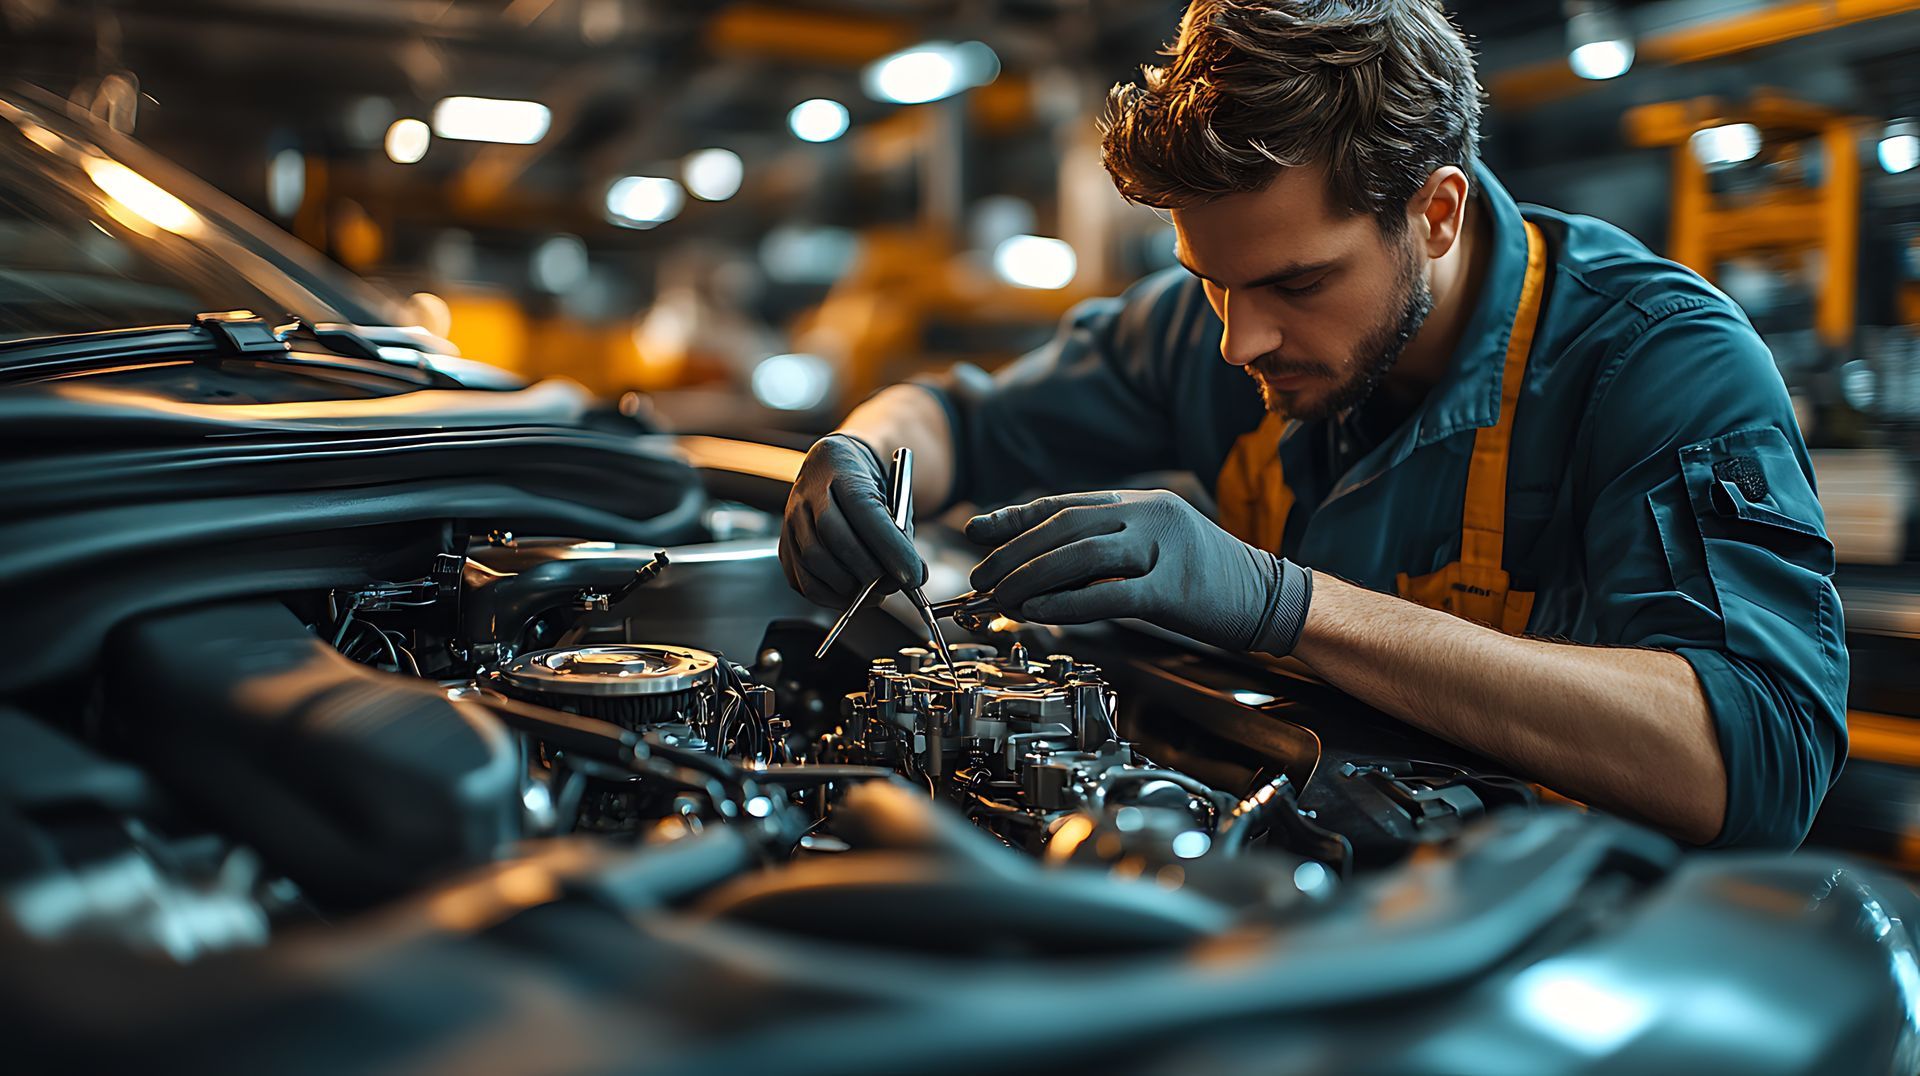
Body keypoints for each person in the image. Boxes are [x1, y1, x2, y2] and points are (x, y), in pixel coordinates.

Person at [778, 0, 1847, 848]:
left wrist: (1283, 606)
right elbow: (959, 415)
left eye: (1296, 281)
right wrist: (865, 452)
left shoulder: (1652, 360)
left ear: (1435, 212)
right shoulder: (1210, 331)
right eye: (1211, 282)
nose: (1241, 340)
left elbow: (1749, 758)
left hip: (1576, 965)